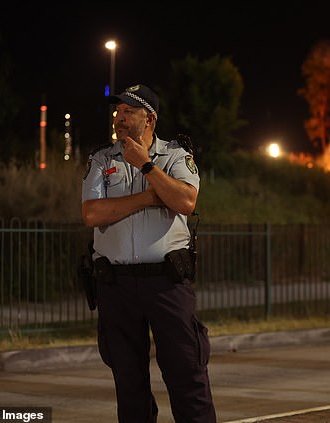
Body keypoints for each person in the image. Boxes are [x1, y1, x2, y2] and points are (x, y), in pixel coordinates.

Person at [81, 84, 216, 423]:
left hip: (166, 283)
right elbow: (92, 215)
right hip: (116, 286)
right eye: (118, 111)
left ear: (150, 119)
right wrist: (150, 197)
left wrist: (146, 166)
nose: (119, 118)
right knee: (128, 383)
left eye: (129, 111)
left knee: (186, 374)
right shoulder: (101, 159)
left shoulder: (174, 156)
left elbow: (185, 201)